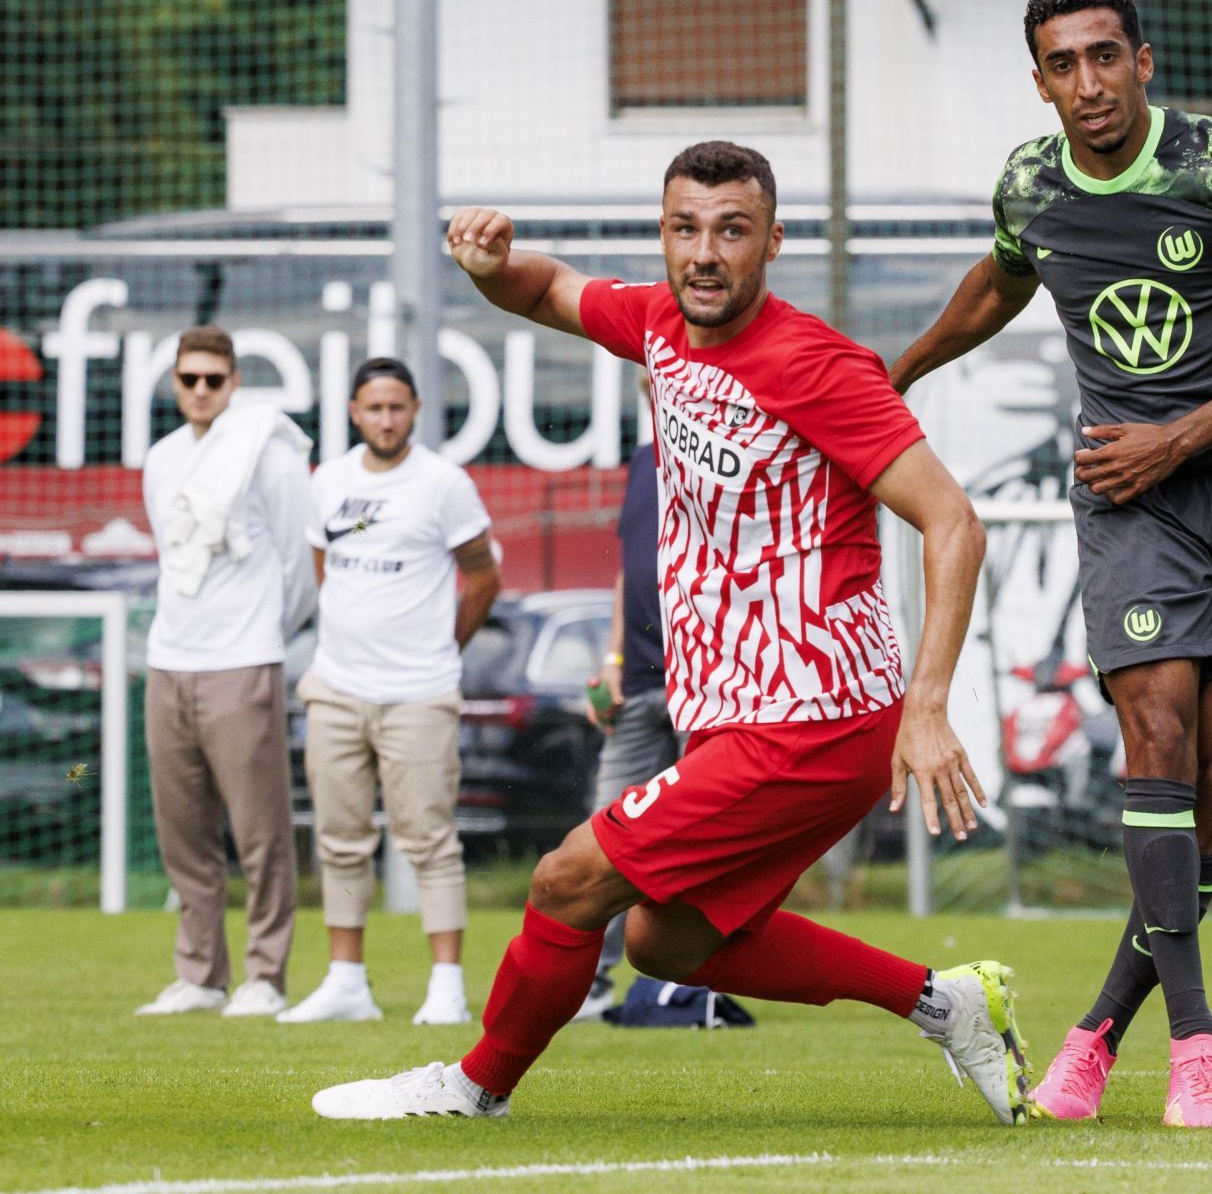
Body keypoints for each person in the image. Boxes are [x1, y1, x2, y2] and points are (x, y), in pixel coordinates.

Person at [309, 140, 1028, 1125]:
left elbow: (954, 522)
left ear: (772, 241)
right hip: (739, 712)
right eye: (685, 228)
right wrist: (487, 268)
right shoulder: (657, 322)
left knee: (568, 880)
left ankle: (473, 1086)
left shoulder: (816, 364)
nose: (705, 251)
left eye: (731, 230)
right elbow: (548, 288)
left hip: (817, 717)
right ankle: (946, 1002)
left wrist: (931, 708)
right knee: (667, 944)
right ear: (663, 235)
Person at [889, 0, 1212, 1128]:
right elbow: (999, 281)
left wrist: (1179, 439)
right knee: (1158, 733)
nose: (1087, 83)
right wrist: (893, 372)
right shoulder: (1032, 184)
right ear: (1039, 80)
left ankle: (1095, 1030)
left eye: (1105, 57)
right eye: (1062, 64)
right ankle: (1197, 1044)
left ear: (1144, 61)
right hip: (1127, 504)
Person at [279, 357, 503, 1026]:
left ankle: (446, 986)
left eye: (396, 407)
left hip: (420, 694)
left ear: (416, 409)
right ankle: (347, 981)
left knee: (430, 838)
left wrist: (441, 648)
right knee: (339, 838)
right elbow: (326, 571)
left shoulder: (444, 483)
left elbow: (483, 578)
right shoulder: (329, 481)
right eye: (373, 408)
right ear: (353, 411)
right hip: (337, 688)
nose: (385, 419)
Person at [137, 325, 313, 1018]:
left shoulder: (268, 453)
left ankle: (265, 973)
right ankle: (201, 973)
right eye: (190, 379)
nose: (202, 391)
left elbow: (302, 562)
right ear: (175, 383)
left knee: (260, 830)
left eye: (214, 379)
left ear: (235, 382)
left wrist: (265, 630)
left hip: (242, 660)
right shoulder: (159, 458)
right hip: (168, 657)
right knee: (182, 830)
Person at [572, 410, 682, 1022]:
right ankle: (590, 985)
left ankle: (700, 982)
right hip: (637, 681)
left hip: (710, 681)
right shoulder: (644, 459)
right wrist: (613, 658)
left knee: (709, 838)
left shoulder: (730, 445)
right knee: (604, 833)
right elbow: (629, 574)